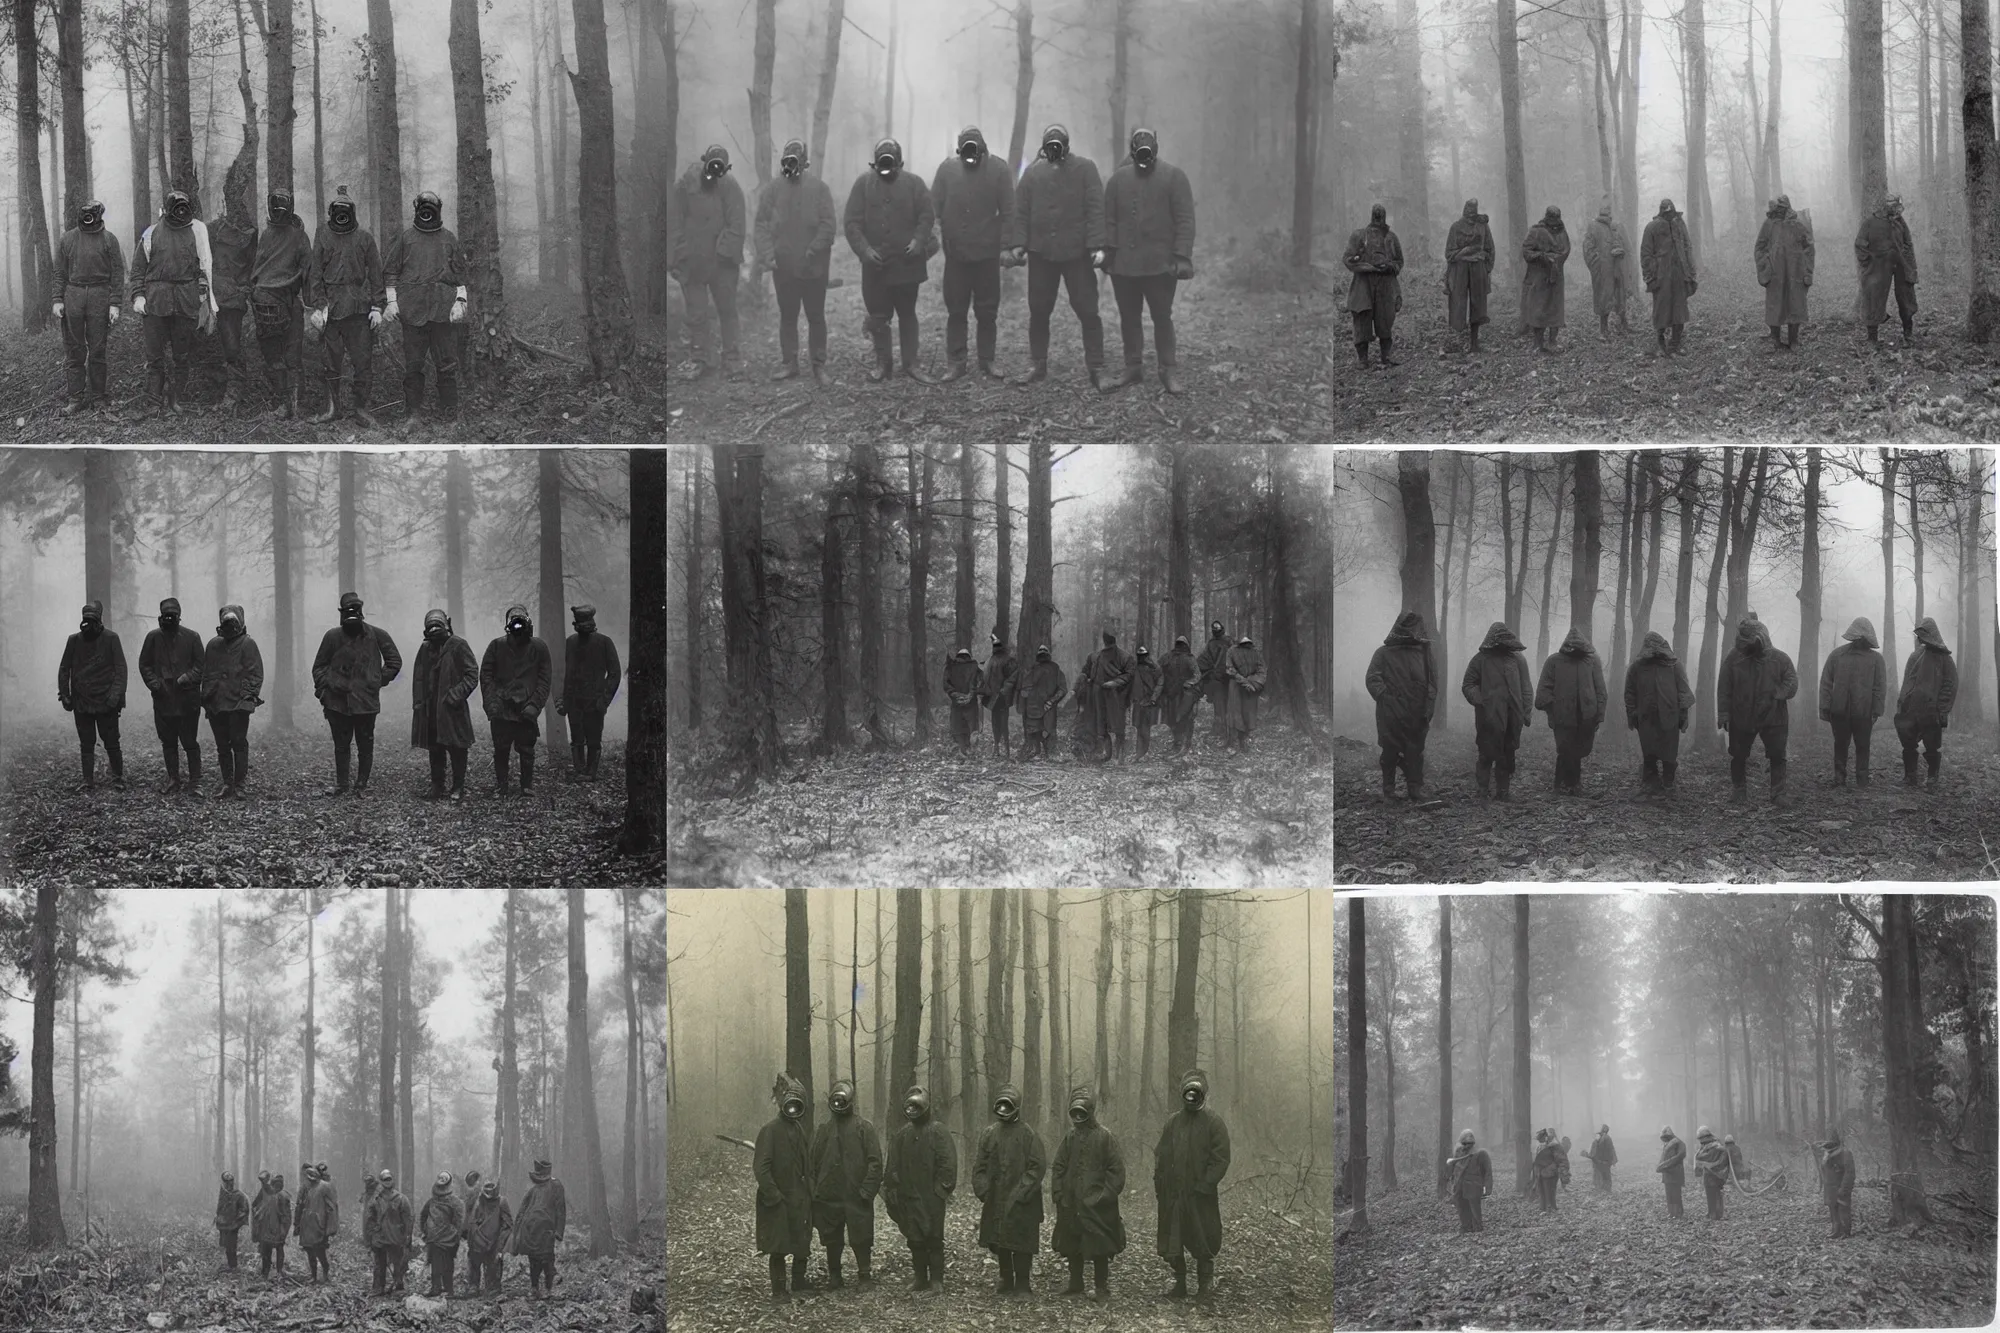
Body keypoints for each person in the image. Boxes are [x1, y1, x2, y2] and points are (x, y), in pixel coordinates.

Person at [1009, 124, 1107, 387]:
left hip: (1076, 254)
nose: (1054, 150)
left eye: (1058, 145)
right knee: (1039, 311)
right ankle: (1038, 365)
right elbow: (1021, 212)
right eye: (1049, 145)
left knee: (1088, 310)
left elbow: (1096, 207)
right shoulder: (1031, 174)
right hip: (1042, 254)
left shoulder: (1085, 169)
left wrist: (1097, 246)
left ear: (1067, 145)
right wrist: (1019, 244)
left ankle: (1096, 368)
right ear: (1043, 147)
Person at [1101, 127, 1196, 394]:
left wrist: (1181, 256)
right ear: (1131, 150)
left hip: (1160, 264)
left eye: (1148, 146)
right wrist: (1108, 254)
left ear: (1156, 146)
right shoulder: (1117, 180)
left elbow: (1185, 219)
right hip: (1125, 265)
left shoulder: (1174, 177)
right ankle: (1133, 367)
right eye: (1138, 146)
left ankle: (1168, 370)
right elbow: (1108, 220)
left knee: (1162, 317)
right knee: (1129, 317)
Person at [845, 138, 938, 383]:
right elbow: (852, 223)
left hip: (907, 265)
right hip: (876, 268)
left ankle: (912, 364)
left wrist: (918, 241)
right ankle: (882, 365)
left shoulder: (915, 184)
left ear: (900, 164)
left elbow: (927, 216)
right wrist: (864, 250)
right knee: (878, 316)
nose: (886, 170)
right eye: (881, 165)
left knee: (907, 314)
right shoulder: (863, 185)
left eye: (891, 165)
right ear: (874, 165)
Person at [930, 125, 1016, 382]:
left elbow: (1009, 212)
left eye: (975, 151)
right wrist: (935, 233)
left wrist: (1006, 247)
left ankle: (987, 360)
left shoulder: (999, 170)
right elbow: (933, 208)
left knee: (987, 311)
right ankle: (957, 362)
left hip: (987, 255)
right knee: (956, 310)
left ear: (983, 149)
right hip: (956, 255)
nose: (971, 157)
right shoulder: (947, 171)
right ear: (959, 150)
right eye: (965, 151)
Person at [755, 138, 837, 382]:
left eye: (796, 160)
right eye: (787, 160)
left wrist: (815, 248)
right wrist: (768, 254)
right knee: (788, 316)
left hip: (814, 267)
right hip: (784, 267)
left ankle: (818, 365)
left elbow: (829, 225)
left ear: (805, 162)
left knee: (816, 316)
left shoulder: (820, 189)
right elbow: (761, 224)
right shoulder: (772, 190)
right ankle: (790, 363)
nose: (791, 166)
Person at [129, 190, 215, 417]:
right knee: (154, 356)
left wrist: (203, 294)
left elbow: (204, 267)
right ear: (166, 209)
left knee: (182, 355)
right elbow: (137, 270)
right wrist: (138, 296)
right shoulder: (151, 233)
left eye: (183, 207)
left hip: (185, 301)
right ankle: (153, 401)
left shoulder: (197, 231)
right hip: (156, 303)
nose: (180, 212)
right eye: (175, 207)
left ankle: (177, 399)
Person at [383, 190, 467, 419]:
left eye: (431, 209)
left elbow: (461, 274)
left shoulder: (448, 238)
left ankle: (449, 414)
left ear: (438, 209)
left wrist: (460, 300)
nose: (427, 214)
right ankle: (414, 414)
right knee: (413, 366)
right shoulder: (406, 238)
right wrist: (391, 301)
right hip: (413, 313)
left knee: (447, 364)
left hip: (442, 312)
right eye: (423, 209)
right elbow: (390, 270)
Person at [306, 184, 385, 424]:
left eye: (346, 211)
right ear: (331, 212)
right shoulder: (322, 234)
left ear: (352, 212)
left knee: (363, 362)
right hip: (332, 310)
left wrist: (377, 307)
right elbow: (315, 273)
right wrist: (319, 305)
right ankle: (332, 408)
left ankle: (360, 408)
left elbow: (376, 274)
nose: (342, 216)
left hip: (359, 309)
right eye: (337, 211)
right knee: (330, 362)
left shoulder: (364, 238)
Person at [312, 592, 402, 796]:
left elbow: (394, 661)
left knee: (365, 744)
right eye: (347, 610)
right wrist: (326, 687)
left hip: (366, 703)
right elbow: (319, 666)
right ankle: (342, 785)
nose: (352, 614)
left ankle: (361, 785)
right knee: (341, 746)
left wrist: (377, 680)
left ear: (362, 612)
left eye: (356, 609)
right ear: (341, 614)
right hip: (337, 703)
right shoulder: (332, 636)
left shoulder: (377, 635)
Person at [671, 146, 747, 379]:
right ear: (703, 162)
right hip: (693, 262)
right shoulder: (685, 185)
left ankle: (732, 358)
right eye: (710, 166)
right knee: (697, 313)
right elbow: (674, 222)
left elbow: (737, 224)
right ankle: (700, 358)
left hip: (723, 264)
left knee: (727, 310)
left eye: (719, 169)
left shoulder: (730, 187)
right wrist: (679, 255)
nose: (713, 173)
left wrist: (724, 254)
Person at [1154, 1068, 1229, 1303]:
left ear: (1203, 1094)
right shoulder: (1173, 1123)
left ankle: (1205, 1284)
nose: (1191, 1098)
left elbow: (1221, 1159)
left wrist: (1205, 1185)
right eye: (1187, 1093)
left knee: (1203, 1238)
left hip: (1200, 1196)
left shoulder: (1214, 1123)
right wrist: (1160, 1184)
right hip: (1174, 1194)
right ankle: (1180, 1282)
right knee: (1173, 1239)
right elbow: (1162, 1155)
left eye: (1195, 1093)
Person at [809, 1078, 883, 1290]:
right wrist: (818, 1190)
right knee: (831, 1237)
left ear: (850, 1101)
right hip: (830, 1195)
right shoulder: (824, 1130)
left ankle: (864, 1275)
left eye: (843, 1101)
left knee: (861, 1236)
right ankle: (835, 1275)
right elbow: (814, 1161)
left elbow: (875, 1162)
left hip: (856, 1194)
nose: (839, 1105)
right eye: (836, 1101)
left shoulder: (864, 1128)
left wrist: (866, 1191)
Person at [52, 199, 125, 415]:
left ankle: (99, 398)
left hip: (99, 295)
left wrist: (115, 303)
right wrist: (57, 299)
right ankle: (76, 398)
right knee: (74, 349)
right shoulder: (68, 239)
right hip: (73, 294)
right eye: (85, 215)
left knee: (98, 348)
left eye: (92, 214)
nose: (88, 219)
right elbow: (59, 272)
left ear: (100, 215)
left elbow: (118, 274)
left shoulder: (109, 240)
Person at [1052, 1086, 1124, 1302]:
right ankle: (1076, 1283)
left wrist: (1103, 1196)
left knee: (1100, 1245)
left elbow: (1116, 1171)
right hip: (1071, 1203)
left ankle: (1101, 1288)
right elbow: (1058, 1166)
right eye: (1074, 1113)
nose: (1078, 1117)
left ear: (1090, 1111)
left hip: (1098, 1205)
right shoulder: (1070, 1138)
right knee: (1072, 1243)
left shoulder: (1105, 1137)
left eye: (1082, 1112)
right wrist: (1059, 1192)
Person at [973, 1081, 1046, 1296]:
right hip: (996, 1197)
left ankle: (1023, 1283)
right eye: (1000, 1106)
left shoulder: (1028, 1135)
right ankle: (1006, 1279)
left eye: (1008, 1106)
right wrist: (984, 1189)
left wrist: (1022, 1191)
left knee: (1022, 1241)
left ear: (1016, 1107)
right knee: (999, 1240)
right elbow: (980, 1165)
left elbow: (1037, 1166)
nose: (1003, 1111)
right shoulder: (989, 1133)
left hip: (1024, 1199)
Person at [1718, 615, 1798, 804]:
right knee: (1738, 754)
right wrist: (1723, 713)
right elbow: (1724, 687)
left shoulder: (1780, 659)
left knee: (1778, 754)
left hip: (1773, 716)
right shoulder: (1733, 658)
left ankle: (1778, 793)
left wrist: (1776, 694)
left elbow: (1792, 683)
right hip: (1741, 715)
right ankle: (1739, 790)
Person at [884, 1085, 956, 1294]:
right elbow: (892, 1165)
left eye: (917, 1107)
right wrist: (893, 1188)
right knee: (914, 1239)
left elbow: (948, 1164)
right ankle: (920, 1278)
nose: (913, 1111)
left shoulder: (938, 1131)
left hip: (931, 1197)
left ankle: (936, 1280)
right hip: (908, 1196)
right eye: (910, 1108)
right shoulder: (902, 1134)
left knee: (933, 1238)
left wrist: (941, 1191)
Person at [250, 189, 311, 418]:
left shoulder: (274, 235)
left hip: (269, 300)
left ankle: (290, 405)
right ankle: (289, 405)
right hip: (278, 301)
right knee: (285, 356)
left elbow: (256, 269)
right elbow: (308, 270)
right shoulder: (283, 236)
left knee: (280, 356)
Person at [481, 604, 553, 795]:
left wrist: (535, 704)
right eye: (514, 622)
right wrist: (492, 703)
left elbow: (545, 680)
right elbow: (486, 676)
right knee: (501, 749)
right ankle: (502, 785)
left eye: (521, 621)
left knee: (527, 749)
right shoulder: (496, 646)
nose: (518, 627)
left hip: (526, 707)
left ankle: (526, 785)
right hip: (502, 706)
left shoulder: (539, 647)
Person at [58, 599, 129, 790]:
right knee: (86, 743)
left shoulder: (111, 639)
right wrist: (65, 694)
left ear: (99, 621)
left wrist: (115, 696)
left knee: (112, 742)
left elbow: (121, 669)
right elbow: (65, 668)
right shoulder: (74, 640)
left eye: (92, 620)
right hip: (82, 701)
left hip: (107, 700)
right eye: (85, 620)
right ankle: (87, 781)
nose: (88, 625)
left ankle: (117, 778)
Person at [139, 597, 206, 796]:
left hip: (188, 700)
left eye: (173, 616)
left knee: (189, 741)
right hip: (163, 699)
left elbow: (201, 665)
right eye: (165, 616)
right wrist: (155, 684)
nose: (169, 620)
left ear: (179, 616)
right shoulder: (153, 638)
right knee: (168, 742)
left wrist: (188, 678)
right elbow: (144, 665)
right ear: (160, 617)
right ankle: (173, 779)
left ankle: (195, 781)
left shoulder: (192, 637)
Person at [1368, 610, 1438, 801]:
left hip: (1416, 712)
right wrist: (1386, 697)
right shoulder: (1383, 653)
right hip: (1390, 713)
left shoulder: (1424, 654)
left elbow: (1433, 682)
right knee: (1389, 752)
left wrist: (1428, 707)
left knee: (1415, 752)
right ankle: (1388, 791)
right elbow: (1372, 678)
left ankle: (1415, 789)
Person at [411, 609, 478, 801]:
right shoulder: (425, 648)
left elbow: (472, 674)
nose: (434, 630)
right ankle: (437, 786)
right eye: (430, 627)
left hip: (452, 708)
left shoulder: (458, 645)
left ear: (447, 625)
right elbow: (418, 677)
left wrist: (455, 695)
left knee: (458, 748)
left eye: (437, 625)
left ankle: (458, 786)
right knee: (435, 748)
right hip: (431, 709)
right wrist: (418, 703)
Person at [1463, 622, 1533, 800]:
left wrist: (1526, 711)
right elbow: (1468, 684)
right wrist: (1480, 700)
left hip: (1512, 715)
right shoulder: (1480, 660)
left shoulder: (1517, 660)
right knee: (1486, 753)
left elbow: (1526, 687)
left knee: (1507, 753)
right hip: (1488, 715)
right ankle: (1483, 789)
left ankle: (1503, 791)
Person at [201, 604, 263, 799]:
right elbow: (208, 673)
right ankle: (227, 783)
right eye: (226, 622)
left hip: (238, 704)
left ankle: (240, 784)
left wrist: (247, 698)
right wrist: (207, 699)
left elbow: (255, 674)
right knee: (222, 745)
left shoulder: (247, 644)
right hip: (217, 704)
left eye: (233, 622)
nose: (230, 626)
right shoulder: (213, 645)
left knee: (238, 742)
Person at [1536, 627, 1608, 795]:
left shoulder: (1592, 661)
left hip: (1586, 715)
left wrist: (1599, 715)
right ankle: (1563, 784)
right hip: (1562, 714)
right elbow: (1543, 691)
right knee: (1565, 749)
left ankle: (1572, 784)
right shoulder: (1553, 662)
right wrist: (1552, 709)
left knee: (1579, 750)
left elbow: (1600, 690)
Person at [1819, 617, 1886, 786]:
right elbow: (1826, 681)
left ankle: (1862, 779)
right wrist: (1825, 707)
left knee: (1863, 746)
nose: (1859, 640)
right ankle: (1839, 777)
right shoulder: (1837, 655)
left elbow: (1879, 686)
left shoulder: (1876, 659)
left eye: (1863, 637)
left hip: (1864, 712)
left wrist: (1876, 710)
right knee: (1840, 745)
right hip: (1840, 710)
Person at [1625, 630, 1694, 794]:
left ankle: (1668, 783)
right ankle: (1650, 785)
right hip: (1646, 716)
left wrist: (1684, 715)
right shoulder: (1637, 667)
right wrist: (1632, 713)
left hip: (1670, 715)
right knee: (1649, 752)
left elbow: (1684, 691)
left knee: (1670, 753)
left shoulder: (1674, 665)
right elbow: (1630, 692)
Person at [558, 604, 621, 781]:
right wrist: (564, 700)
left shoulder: (604, 642)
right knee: (577, 738)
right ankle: (580, 771)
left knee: (593, 739)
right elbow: (567, 674)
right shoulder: (570, 642)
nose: (584, 626)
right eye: (580, 623)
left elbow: (615, 673)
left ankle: (590, 773)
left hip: (594, 701)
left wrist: (604, 699)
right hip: (574, 700)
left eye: (586, 622)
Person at [1895, 616, 1958, 790]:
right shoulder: (1915, 656)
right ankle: (1910, 776)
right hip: (1911, 709)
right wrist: (1902, 702)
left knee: (1932, 746)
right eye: (1920, 635)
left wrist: (1942, 709)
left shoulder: (1944, 658)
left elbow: (1950, 685)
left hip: (1932, 710)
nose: (1921, 638)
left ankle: (1932, 777)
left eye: (1924, 634)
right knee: (1908, 744)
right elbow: (1907, 682)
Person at [207, 193, 257, 412]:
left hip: (231, 300)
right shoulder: (211, 230)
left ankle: (234, 394)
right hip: (210, 296)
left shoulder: (249, 234)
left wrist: (243, 289)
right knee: (211, 346)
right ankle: (214, 392)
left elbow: (252, 265)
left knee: (232, 347)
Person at [1343, 204, 1404, 367]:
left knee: (1385, 317)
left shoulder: (1391, 238)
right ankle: (1363, 359)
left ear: (1384, 216)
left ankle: (1386, 356)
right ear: (1371, 216)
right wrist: (1362, 265)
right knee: (1362, 315)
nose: (1378, 217)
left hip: (1385, 283)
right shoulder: (1359, 236)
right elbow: (1347, 258)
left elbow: (1399, 261)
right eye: (1375, 215)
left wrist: (1390, 266)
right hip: (1363, 282)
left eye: (1381, 214)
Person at [1755, 194, 1814, 350]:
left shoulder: (1798, 225)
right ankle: (1775, 338)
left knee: (1795, 304)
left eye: (1782, 208)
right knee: (1775, 304)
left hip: (1796, 272)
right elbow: (1760, 248)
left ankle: (1794, 340)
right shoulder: (1769, 224)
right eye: (1777, 208)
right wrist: (1765, 267)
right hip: (1775, 273)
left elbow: (1809, 248)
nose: (1780, 211)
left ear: (1788, 207)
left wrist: (1807, 270)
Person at [1640, 197, 1696, 356]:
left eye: (1671, 211)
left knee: (1679, 310)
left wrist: (1691, 272)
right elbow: (1646, 254)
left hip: (1679, 274)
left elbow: (1687, 247)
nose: (1669, 215)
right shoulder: (1651, 228)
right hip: (1661, 276)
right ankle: (1660, 344)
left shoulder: (1679, 224)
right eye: (1666, 212)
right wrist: (1650, 276)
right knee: (1661, 310)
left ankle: (1675, 344)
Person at [513, 1158, 569, 1299]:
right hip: (530, 1230)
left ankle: (550, 1287)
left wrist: (558, 1231)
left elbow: (561, 1209)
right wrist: (518, 1229)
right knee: (533, 1259)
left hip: (546, 1229)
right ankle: (534, 1288)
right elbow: (522, 1209)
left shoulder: (556, 1186)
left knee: (547, 1256)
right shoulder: (533, 1190)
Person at [1443, 199, 1494, 352]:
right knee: (1458, 304)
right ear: (1464, 209)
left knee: (1478, 304)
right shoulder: (1456, 227)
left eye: (1474, 208)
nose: (1471, 211)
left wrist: (1486, 268)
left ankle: (1474, 342)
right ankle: (1457, 341)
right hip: (1460, 269)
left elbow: (1489, 248)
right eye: (1468, 208)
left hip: (1478, 268)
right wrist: (1464, 253)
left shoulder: (1483, 226)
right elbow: (1449, 253)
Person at [1521, 206, 1571, 352]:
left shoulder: (1562, 232)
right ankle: (1538, 343)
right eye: (1552, 218)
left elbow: (1566, 250)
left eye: (1557, 218)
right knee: (1539, 308)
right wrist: (1542, 256)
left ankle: (1553, 341)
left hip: (1556, 276)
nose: (1555, 222)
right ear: (1547, 216)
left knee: (1556, 308)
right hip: (1539, 276)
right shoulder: (1536, 231)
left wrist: (1556, 260)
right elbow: (1526, 251)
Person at [1582, 204, 1632, 336]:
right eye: (1604, 213)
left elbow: (1624, 245)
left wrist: (1620, 252)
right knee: (1604, 298)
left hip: (1617, 268)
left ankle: (1623, 324)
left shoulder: (1615, 226)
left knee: (1620, 296)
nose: (1607, 215)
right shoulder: (1593, 227)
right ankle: (1603, 330)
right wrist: (1597, 265)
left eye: (1608, 213)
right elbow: (1588, 250)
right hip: (1603, 270)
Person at [1085, 631, 1135, 762]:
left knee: (1118, 725)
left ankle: (1120, 757)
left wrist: (1115, 682)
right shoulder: (1095, 656)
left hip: (1116, 695)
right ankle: (1108, 755)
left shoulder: (1124, 656)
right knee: (1101, 725)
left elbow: (1130, 675)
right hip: (1098, 695)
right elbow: (1087, 673)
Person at [367, 1169, 415, 1296]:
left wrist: (407, 1235)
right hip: (380, 1236)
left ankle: (399, 1285)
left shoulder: (401, 1199)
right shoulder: (376, 1199)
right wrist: (373, 1230)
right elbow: (370, 1217)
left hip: (395, 1236)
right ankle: (378, 1287)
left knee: (397, 1262)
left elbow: (408, 1218)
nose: (387, 1182)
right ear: (381, 1182)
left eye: (389, 1179)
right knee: (379, 1263)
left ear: (392, 1180)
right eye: (384, 1180)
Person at [1017, 646, 1068, 762]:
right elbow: (1024, 690)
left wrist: (1051, 701)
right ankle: (1040, 753)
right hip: (1037, 708)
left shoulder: (1054, 670)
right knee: (1038, 731)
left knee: (1047, 731)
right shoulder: (1034, 670)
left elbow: (1062, 689)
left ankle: (1047, 754)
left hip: (1042, 708)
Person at [419, 1171, 465, 1298]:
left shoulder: (455, 1202)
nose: (441, 1180)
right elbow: (423, 1215)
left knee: (448, 1265)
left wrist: (454, 1235)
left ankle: (449, 1290)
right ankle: (436, 1288)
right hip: (433, 1238)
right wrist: (426, 1230)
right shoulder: (431, 1201)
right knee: (435, 1266)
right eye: (440, 1178)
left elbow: (459, 1222)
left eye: (444, 1179)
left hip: (448, 1239)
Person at [465, 1180, 513, 1297]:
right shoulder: (478, 1201)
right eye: (486, 1187)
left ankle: (493, 1286)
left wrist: (500, 1244)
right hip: (478, 1240)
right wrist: (473, 1237)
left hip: (494, 1241)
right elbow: (471, 1221)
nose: (488, 1190)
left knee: (494, 1263)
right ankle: (473, 1285)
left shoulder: (502, 1202)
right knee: (474, 1261)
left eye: (491, 1187)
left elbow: (507, 1225)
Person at [1222, 635, 1266, 754]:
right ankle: (1232, 741)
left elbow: (1261, 670)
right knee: (1234, 712)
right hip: (1236, 686)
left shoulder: (1255, 652)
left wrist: (1253, 682)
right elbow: (1229, 668)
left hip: (1250, 688)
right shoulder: (1231, 651)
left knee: (1248, 714)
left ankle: (1243, 741)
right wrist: (1244, 681)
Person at [296, 1164, 339, 1284]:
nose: (310, 1179)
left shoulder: (325, 1187)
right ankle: (314, 1276)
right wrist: (297, 1224)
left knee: (320, 1252)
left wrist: (330, 1227)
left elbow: (332, 1207)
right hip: (307, 1226)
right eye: (308, 1177)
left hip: (320, 1226)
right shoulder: (307, 1188)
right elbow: (300, 1206)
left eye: (312, 1176)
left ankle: (325, 1274)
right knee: (310, 1252)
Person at [1444, 1131, 1492, 1232]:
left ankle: (1477, 1228)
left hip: (1474, 1186)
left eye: (1469, 1143)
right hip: (1459, 1185)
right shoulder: (1459, 1152)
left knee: (1475, 1210)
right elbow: (1455, 1168)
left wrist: (1487, 1187)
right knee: (1461, 1207)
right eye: (1464, 1143)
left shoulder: (1480, 1153)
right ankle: (1466, 1226)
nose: (1466, 1145)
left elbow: (1487, 1171)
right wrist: (1451, 1181)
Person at [980, 635, 1019, 759]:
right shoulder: (992, 661)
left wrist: (1004, 689)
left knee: (1000, 724)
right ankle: (999, 749)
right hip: (997, 697)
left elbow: (1014, 676)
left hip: (999, 697)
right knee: (999, 723)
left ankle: (1004, 750)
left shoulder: (1000, 660)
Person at [1887, 195, 1920, 342]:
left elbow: (1908, 244)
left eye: (1897, 207)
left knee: (1904, 297)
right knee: (1876, 294)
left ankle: (1908, 330)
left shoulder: (1901, 223)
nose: (1896, 210)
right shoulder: (1878, 222)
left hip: (1901, 265)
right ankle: (1872, 333)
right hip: (1883, 264)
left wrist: (1908, 265)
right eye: (1892, 207)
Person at [1163, 636, 1202, 757]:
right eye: (1178, 644)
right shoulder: (1168, 657)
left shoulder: (1189, 659)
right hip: (1172, 692)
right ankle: (1177, 743)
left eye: (1181, 644)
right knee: (1172, 718)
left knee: (1185, 718)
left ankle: (1186, 745)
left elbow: (1197, 675)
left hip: (1185, 694)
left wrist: (1188, 683)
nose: (1180, 647)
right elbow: (1159, 669)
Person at [944, 647, 985, 756]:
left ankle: (963, 750)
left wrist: (955, 695)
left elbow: (946, 685)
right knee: (972, 728)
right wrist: (971, 694)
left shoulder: (950, 667)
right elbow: (981, 682)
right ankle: (971, 751)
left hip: (956, 703)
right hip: (971, 704)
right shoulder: (975, 667)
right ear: (968, 656)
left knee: (958, 727)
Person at [1196, 620, 1232, 745]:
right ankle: (1220, 727)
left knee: (1228, 703)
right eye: (1214, 629)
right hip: (1216, 679)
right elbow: (1203, 659)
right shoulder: (1211, 644)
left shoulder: (1229, 641)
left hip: (1228, 677)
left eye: (1218, 628)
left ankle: (1228, 730)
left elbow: (1234, 657)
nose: (1216, 630)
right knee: (1219, 703)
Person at [254, 1171, 294, 1278]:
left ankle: (279, 1271)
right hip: (266, 1226)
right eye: (275, 1184)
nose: (277, 1187)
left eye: (279, 1185)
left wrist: (283, 1230)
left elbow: (286, 1216)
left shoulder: (283, 1196)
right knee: (266, 1249)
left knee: (279, 1248)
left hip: (278, 1228)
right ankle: (265, 1272)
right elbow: (255, 1204)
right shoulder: (265, 1192)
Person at [1820, 1131, 1855, 1238]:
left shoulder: (1846, 1153)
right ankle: (1836, 1230)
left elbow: (1850, 1173)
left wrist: (1844, 1189)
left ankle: (1845, 1232)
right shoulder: (1826, 1155)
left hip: (1841, 1187)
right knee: (1833, 1209)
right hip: (1830, 1187)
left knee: (1843, 1209)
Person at [1130, 646, 1164, 757]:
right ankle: (1139, 752)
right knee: (1139, 728)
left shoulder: (1154, 668)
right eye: (1140, 656)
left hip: (1148, 702)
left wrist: (1154, 697)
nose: (1142, 658)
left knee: (1145, 728)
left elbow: (1160, 682)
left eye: (1143, 656)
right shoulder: (1134, 668)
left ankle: (1142, 752)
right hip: (1138, 702)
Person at [215, 1171, 251, 1270]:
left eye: (230, 1181)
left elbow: (244, 1209)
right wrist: (219, 1218)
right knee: (226, 1246)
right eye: (226, 1182)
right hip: (223, 1225)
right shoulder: (223, 1193)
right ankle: (230, 1265)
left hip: (232, 1226)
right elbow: (220, 1208)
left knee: (231, 1247)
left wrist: (236, 1220)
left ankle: (233, 1266)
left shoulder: (239, 1195)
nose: (229, 1184)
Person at [1692, 1127, 1729, 1220]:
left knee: (1715, 1194)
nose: (1700, 1141)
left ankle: (1716, 1214)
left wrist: (1699, 1155)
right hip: (1709, 1174)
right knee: (1710, 1194)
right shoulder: (1708, 1146)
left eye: (1701, 1138)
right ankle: (1711, 1212)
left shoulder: (1715, 1147)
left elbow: (1704, 1157)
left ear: (1706, 1137)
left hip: (1716, 1175)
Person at [1656, 1125, 1687, 1219]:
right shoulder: (1667, 1145)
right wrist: (1661, 1166)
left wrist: (1666, 1165)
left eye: (1666, 1137)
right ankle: (1671, 1212)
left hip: (1676, 1172)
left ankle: (1678, 1212)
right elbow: (1663, 1158)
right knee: (1669, 1194)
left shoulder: (1679, 1143)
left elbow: (1680, 1156)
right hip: (1667, 1173)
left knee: (1676, 1194)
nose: (1664, 1139)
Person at [1531, 1129, 1564, 1211]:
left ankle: (1551, 1206)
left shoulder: (1552, 1145)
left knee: (1550, 1189)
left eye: (1541, 1139)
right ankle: (1544, 1207)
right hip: (1541, 1171)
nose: (1540, 1141)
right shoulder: (1540, 1147)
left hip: (1550, 1172)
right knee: (1542, 1190)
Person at [1586, 1124, 1617, 1193]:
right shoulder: (1605, 1138)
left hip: (1601, 1161)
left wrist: (1592, 1157)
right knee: (1605, 1175)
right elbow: (1611, 1149)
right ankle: (1606, 1190)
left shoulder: (1600, 1138)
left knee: (1601, 1175)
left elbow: (1610, 1149)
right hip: (1604, 1161)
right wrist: (1613, 1160)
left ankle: (1602, 1189)